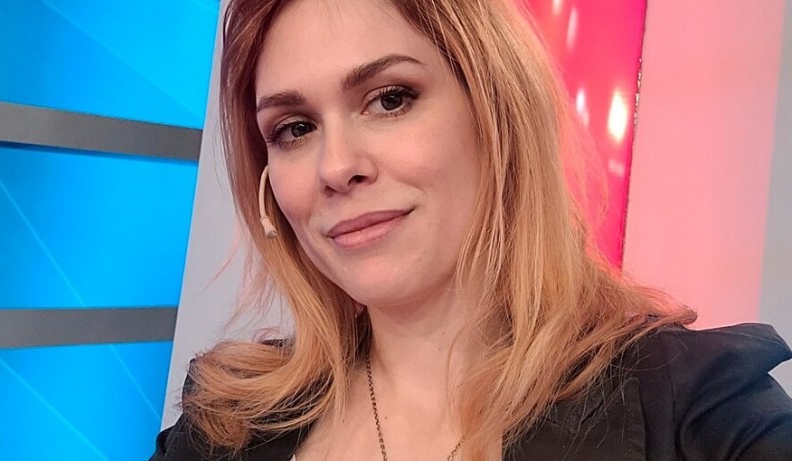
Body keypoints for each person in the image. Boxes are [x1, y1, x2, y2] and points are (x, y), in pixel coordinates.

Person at [150, 0, 792, 459]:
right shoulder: (223, 425)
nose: (336, 167)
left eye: (390, 98)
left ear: (495, 115)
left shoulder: (694, 408)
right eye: (295, 128)